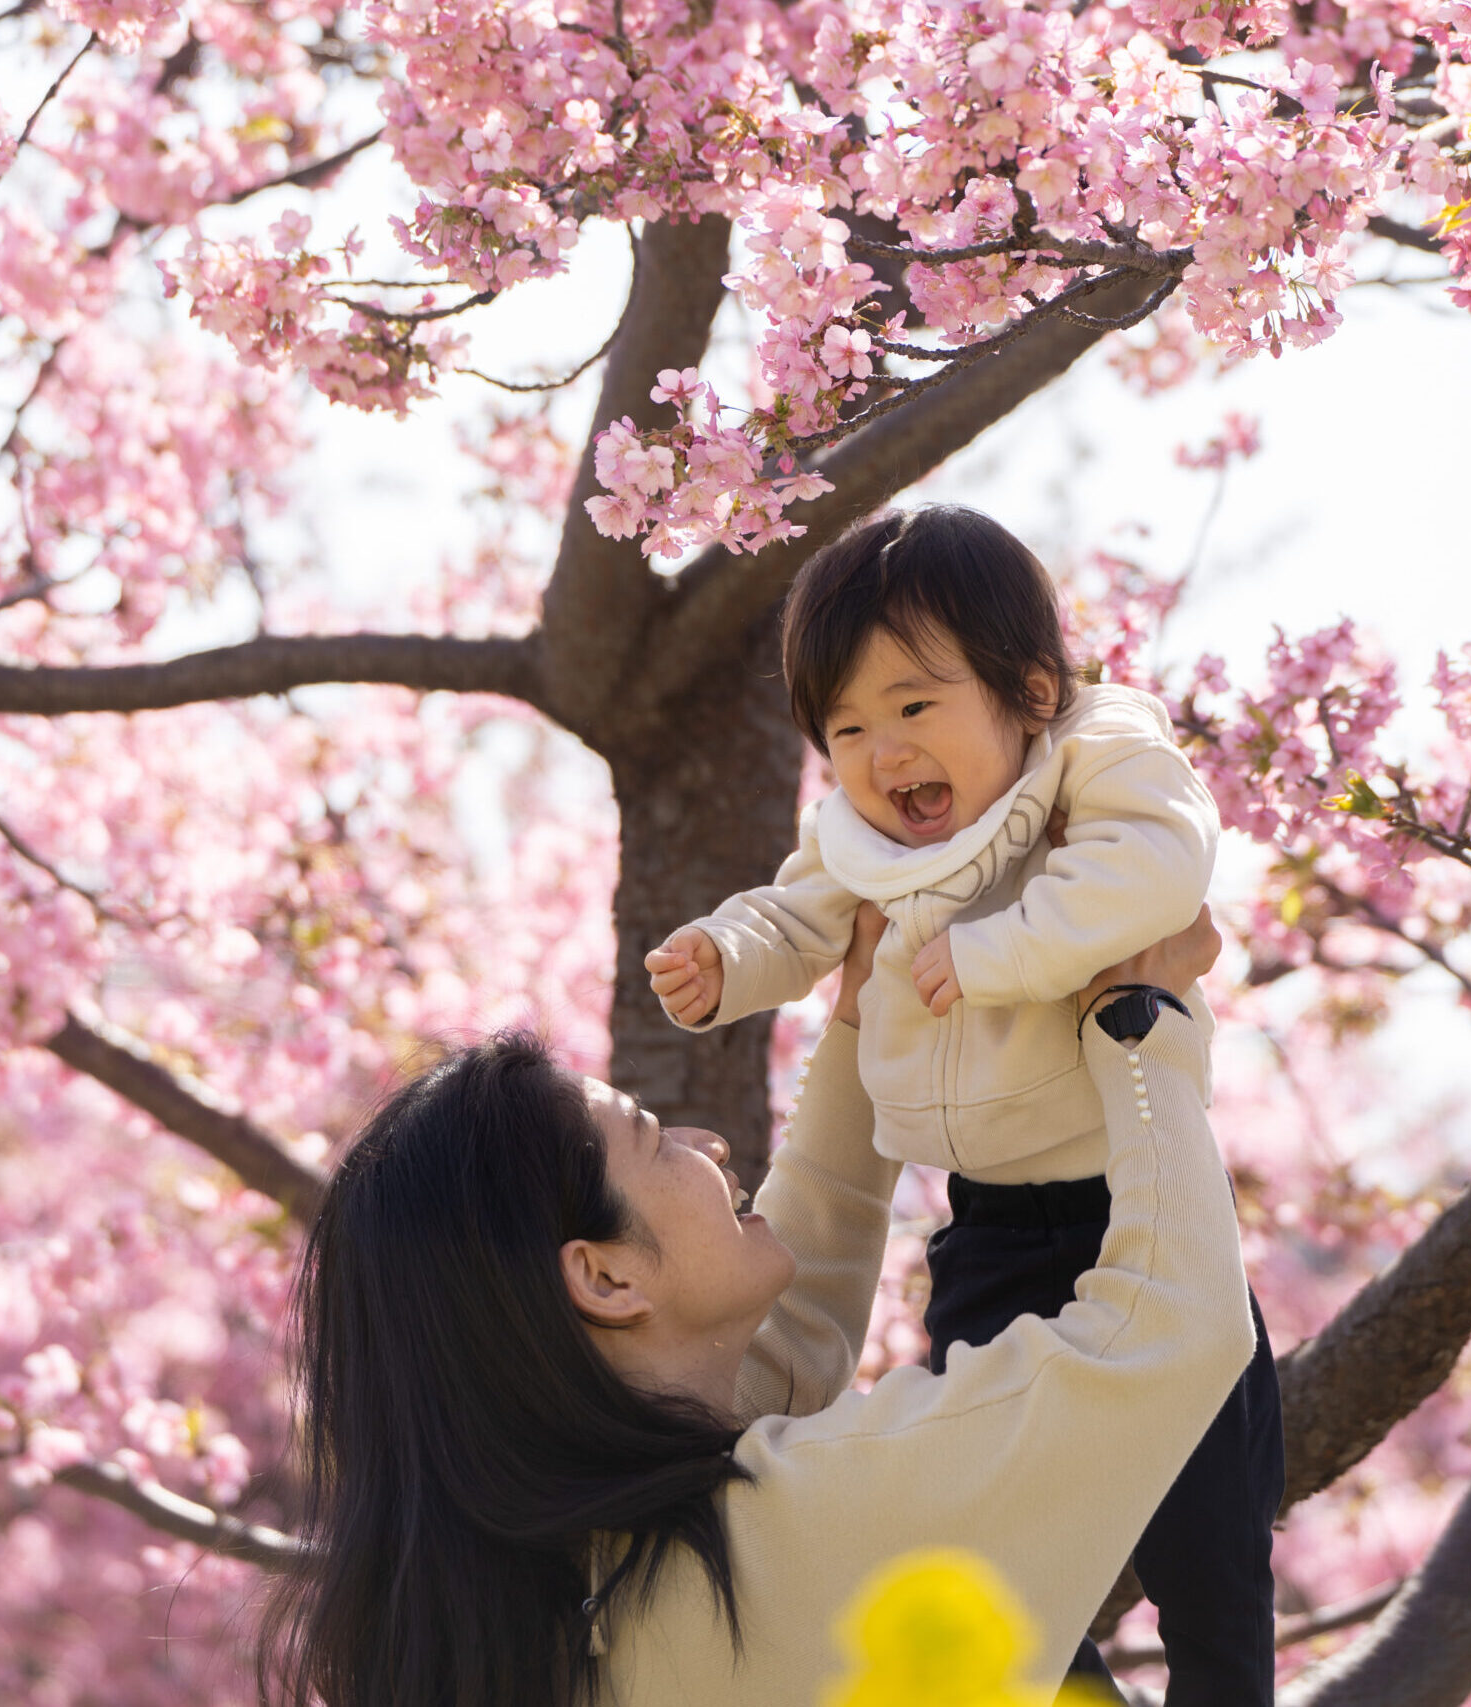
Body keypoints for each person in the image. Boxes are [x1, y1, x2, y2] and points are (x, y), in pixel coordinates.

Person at [259, 906, 1255, 1707]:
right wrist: (1137, 1023)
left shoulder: (548, 1597)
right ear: (605, 1279)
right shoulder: (791, 1532)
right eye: (655, 1139)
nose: (709, 1143)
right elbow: (1170, 1332)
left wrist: (866, 1015)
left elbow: (780, 1351)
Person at [645, 505, 1284, 1703]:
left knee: (1210, 1550)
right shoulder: (860, 840)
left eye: (914, 706)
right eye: (847, 727)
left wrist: (1005, 951)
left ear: (1030, 689)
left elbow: (1156, 865)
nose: (883, 754)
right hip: (985, 1230)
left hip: (1127, 1201)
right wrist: (726, 958)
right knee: (989, 1540)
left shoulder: (1095, 756)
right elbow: (797, 913)